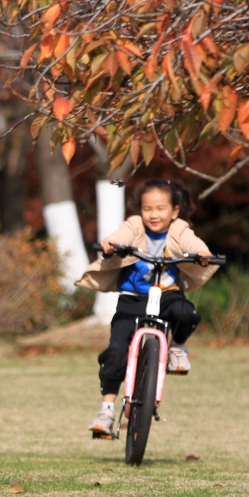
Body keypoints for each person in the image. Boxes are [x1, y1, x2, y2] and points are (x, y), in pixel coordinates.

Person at [75, 178, 219, 438]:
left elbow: (192, 242)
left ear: (174, 211)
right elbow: (122, 236)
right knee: (116, 351)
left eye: (161, 208)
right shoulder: (134, 225)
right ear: (140, 210)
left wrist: (201, 252)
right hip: (133, 299)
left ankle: (176, 348)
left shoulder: (179, 228)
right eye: (147, 209)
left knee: (186, 313)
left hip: (168, 295)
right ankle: (106, 410)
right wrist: (111, 243)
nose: (154, 215)